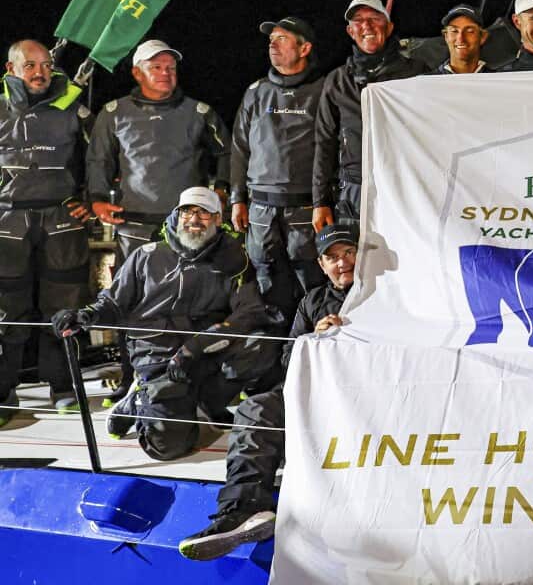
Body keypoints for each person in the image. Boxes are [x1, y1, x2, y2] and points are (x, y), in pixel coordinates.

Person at [52, 187, 279, 461]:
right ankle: (139, 399)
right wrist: (84, 316)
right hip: (158, 355)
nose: (194, 219)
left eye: (204, 213)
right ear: (177, 215)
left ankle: (205, 402)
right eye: (188, 211)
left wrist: (199, 344)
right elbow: (112, 303)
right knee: (166, 447)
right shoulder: (147, 255)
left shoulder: (234, 259)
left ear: (218, 219)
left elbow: (249, 311)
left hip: (204, 349)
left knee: (262, 346)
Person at [177, 223, 357, 561]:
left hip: (363, 401)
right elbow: (289, 358)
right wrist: (314, 339)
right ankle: (243, 510)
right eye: (332, 257)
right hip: (316, 397)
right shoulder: (313, 301)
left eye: (349, 253)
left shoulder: (385, 296)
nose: (342, 262)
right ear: (320, 265)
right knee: (255, 408)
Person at [86, 39, 232, 406]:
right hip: (133, 225)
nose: (165, 74)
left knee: (193, 297)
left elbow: (227, 152)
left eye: (170, 67)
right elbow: (99, 160)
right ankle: (131, 376)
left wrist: (224, 190)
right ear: (138, 72)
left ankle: (196, 375)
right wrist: (98, 199)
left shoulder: (197, 112)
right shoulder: (114, 112)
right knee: (130, 299)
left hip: (188, 229)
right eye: (156, 67)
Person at [0, 40, 92, 419]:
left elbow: (98, 155)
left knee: (65, 307)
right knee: (7, 309)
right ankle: (4, 390)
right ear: (11, 69)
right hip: (7, 221)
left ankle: (63, 385)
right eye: (30, 66)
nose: (40, 73)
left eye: (46, 65)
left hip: (62, 219)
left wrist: (91, 195)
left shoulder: (72, 104)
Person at [230, 16, 326, 313]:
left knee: (311, 279)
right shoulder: (255, 92)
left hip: (306, 207)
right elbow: (239, 148)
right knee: (266, 282)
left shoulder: (323, 89)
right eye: (271, 39)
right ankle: (275, 352)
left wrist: (326, 201)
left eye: (282, 38)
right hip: (260, 210)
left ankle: (312, 345)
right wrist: (237, 200)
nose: (273, 44)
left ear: (305, 47)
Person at [312, 0, 428, 230]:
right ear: (350, 31)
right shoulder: (337, 81)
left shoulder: (416, 73)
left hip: (405, 186)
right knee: (356, 261)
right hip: (354, 191)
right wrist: (320, 201)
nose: (367, 26)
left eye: (375, 18)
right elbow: (324, 143)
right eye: (358, 21)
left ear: (390, 26)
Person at [436, 4, 489, 74]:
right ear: (446, 37)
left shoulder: (500, 81)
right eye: (454, 31)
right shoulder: (425, 81)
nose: (461, 38)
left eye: (470, 31)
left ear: (482, 37)